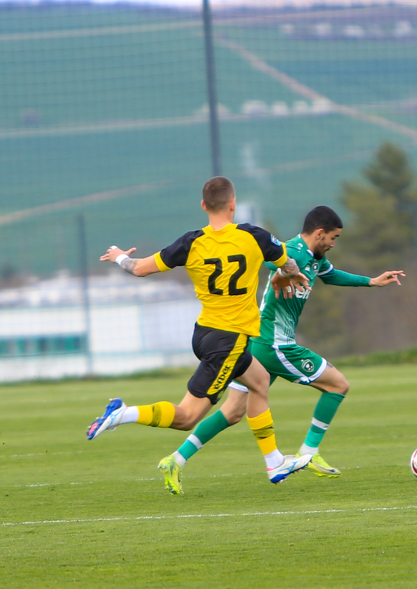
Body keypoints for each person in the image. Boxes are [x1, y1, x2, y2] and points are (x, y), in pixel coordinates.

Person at [86, 176, 313, 494]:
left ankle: (274, 462)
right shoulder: (255, 236)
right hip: (228, 341)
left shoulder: (190, 242)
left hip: (205, 333)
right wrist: (292, 273)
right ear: (233, 204)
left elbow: (138, 268)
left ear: (204, 205)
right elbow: (286, 263)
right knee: (187, 417)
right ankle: (123, 413)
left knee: (260, 381)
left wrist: (119, 256)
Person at [167, 205, 404, 481]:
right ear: (320, 233)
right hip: (275, 344)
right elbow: (270, 261)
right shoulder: (293, 251)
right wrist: (282, 273)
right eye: (333, 238)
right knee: (338, 385)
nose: (333, 244)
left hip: (257, 343)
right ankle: (309, 451)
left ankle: (176, 459)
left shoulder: (315, 258)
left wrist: (371, 282)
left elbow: (330, 275)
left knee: (232, 412)